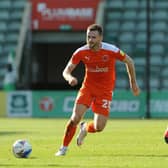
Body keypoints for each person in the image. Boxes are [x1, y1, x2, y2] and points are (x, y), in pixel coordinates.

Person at [55, 24, 140, 156]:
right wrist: (69, 78)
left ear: (101, 38)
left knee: (99, 127)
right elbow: (66, 71)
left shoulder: (111, 50)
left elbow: (129, 61)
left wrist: (133, 83)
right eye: (88, 37)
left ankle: (85, 128)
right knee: (75, 118)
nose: (90, 40)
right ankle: (63, 148)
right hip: (88, 88)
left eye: (93, 37)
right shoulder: (81, 52)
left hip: (105, 91)